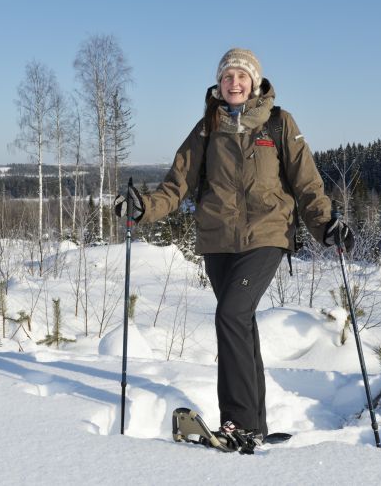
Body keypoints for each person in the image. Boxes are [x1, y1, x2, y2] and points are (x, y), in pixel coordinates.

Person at [114, 48, 353, 452]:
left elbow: (307, 183)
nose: (235, 84)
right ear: (219, 85)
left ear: (255, 82)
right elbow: (177, 184)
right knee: (239, 325)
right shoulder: (207, 127)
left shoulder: (279, 123)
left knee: (231, 314)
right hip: (217, 242)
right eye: (228, 78)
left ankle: (237, 422)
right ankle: (254, 425)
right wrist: (143, 208)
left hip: (266, 235)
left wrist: (325, 226)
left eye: (242, 77)